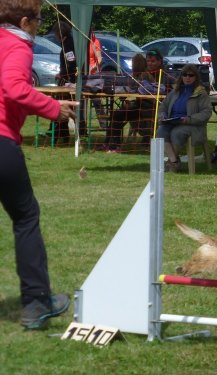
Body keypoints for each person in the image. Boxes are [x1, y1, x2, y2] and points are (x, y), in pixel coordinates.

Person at [0, 0, 78, 329]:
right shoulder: (17, 46)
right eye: (39, 19)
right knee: (26, 216)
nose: (40, 24)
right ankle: (36, 302)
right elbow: (13, 88)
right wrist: (52, 108)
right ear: (24, 21)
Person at [105, 49, 164, 152]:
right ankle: (111, 143)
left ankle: (113, 145)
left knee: (117, 115)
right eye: (148, 61)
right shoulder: (140, 76)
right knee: (116, 115)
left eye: (153, 61)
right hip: (140, 106)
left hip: (150, 109)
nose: (150, 63)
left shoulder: (150, 75)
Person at [157, 64, 212, 172]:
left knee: (177, 133)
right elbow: (163, 106)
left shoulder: (201, 93)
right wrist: (162, 116)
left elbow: (206, 113)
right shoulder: (175, 91)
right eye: (185, 75)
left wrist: (189, 119)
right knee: (161, 131)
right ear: (181, 77)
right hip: (173, 122)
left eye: (191, 75)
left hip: (193, 126)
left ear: (196, 77)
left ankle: (171, 164)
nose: (187, 77)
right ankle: (174, 161)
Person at [51, 20, 85, 143]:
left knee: (59, 104)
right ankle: (63, 133)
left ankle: (58, 133)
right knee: (63, 105)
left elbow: (71, 63)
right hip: (69, 80)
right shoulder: (70, 41)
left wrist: (62, 74)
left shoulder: (68, 44)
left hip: (69, 81)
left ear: (59, 33)